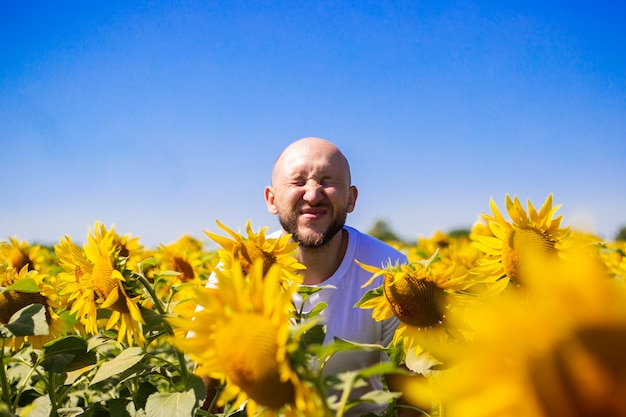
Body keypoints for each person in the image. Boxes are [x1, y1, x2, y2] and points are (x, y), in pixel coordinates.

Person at [203, 137, 419, 416]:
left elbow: (411, 392)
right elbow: (207, 376)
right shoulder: (238, 267)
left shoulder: (389, 272)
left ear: (351, 199)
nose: (313, 195)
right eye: (298, 182)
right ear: (271, 199)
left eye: (327, 181)